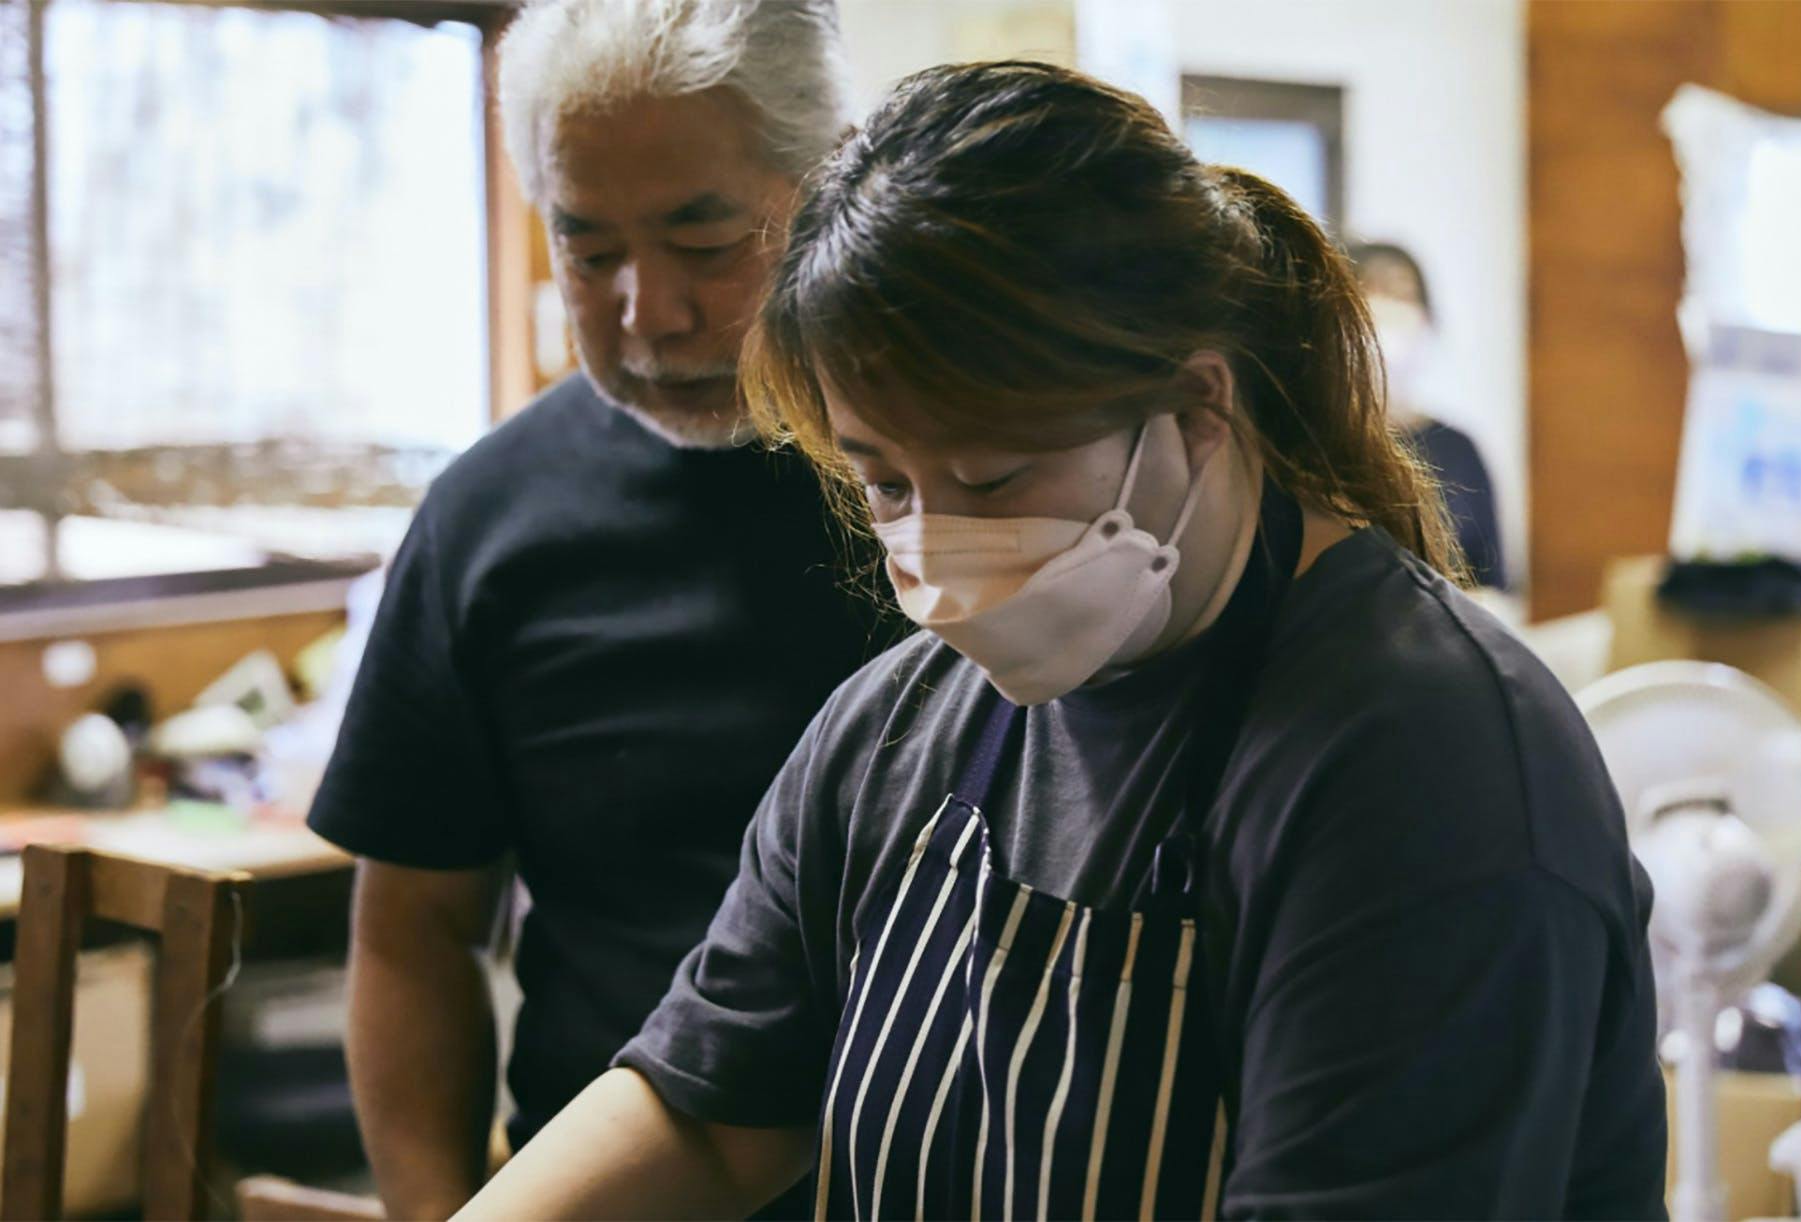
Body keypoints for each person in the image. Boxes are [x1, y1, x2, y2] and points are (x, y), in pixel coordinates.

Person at [459, 62, 1667, 1219]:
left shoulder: (1423, 763)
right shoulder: (897, 732)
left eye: (992, 473)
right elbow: (714, 1117)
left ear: (1197, 406)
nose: (938, 548)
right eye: (882, 483)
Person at [304, 2, 886, 1216]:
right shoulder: (487, 518)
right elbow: (413, 929)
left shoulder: (960, 474)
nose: (645, 313)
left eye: (702, 236)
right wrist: (436, 1205)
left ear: (830, 178)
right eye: (589, 246)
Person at [1351, 240, 1508, 590]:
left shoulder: (1460, 450)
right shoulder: (1323, 446)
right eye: (1371, 293)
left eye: (1403, 295)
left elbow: (1495, 583)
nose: (1389, 311)